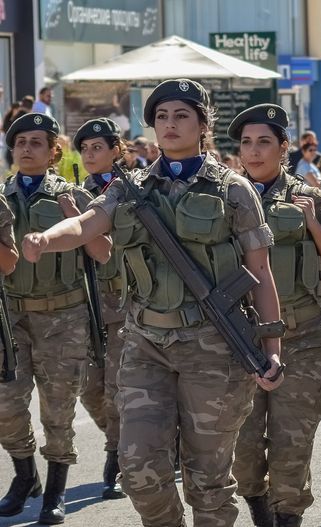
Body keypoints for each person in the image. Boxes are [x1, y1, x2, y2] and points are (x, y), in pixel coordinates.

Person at [19, 79, 285, 527]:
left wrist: (272, 349)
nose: (170, 124)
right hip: (146, 344)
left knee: (208, 481)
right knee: (139, 470)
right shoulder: (131, 187)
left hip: (215, 347)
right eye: (162, 117)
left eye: (181, 115)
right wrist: (45, 238)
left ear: (203, 124)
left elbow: (260, 273)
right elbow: (88, 223)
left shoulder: (233, 190)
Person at [227, 104, 321, 527]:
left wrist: (313, 224)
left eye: (264, 141)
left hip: (303, 341)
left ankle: (287, 518)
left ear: (284, 148)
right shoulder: (220, 199)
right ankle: (261, 511)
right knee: (243, 451)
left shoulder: (314, 198)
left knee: (290, 447)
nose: (254, 151)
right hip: (239, 341)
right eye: (246, 142)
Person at [0, 112, 111, 524]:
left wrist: (76, 219)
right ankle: (25, 474)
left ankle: (56, 491)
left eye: (35, 143)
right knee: (6, 405)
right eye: (20, 142)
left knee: (58, 407)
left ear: (53, 153)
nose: (26, 149)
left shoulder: (74, 196)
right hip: (11, 314)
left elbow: (103, 254)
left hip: (63, 315)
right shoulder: (0, 196)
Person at [71, 117, 133, 502]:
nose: (91, 154)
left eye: (98, 147)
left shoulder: (133, 190)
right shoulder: (76, 194)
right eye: (86, 149)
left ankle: (116, 458)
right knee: (89, 387)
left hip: (127, 301)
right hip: (89, 303)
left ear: (116, 151)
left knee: (117, 388)